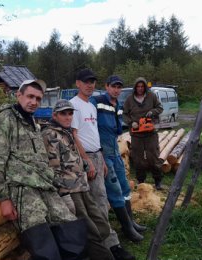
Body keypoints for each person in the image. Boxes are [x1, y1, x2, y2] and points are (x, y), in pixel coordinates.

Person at [0, 79, 87, 260]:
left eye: (38, 99)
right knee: (42, 241)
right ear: (19, 95)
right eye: (30, 96)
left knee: (69, 227)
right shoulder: (6, 118)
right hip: (23, 188)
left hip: (44, 184)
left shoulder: (32, 121)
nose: (34, 102)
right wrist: (3, 198)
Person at [70, 68, 136, 260]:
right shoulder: (73, 105)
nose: (90, 85)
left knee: (100, 199)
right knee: (94, 203)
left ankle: (107, 243)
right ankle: (107, 246)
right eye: (86, 82)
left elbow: (94, 133)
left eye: (92, 82)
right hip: (86, 159)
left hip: (98, 156)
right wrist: (88, 160)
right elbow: (74, 135)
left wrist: (100, 158)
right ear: (78, 83)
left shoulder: (91, 106)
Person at [42, 99, 115, 260]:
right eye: (63, 114)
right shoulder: (50, 134)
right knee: (87, 228)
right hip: (69, 189)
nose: (68, 117)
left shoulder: (66, 132)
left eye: (70, 113)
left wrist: (86, 166)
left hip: (82, 185)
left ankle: (93, 251)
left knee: (100, 223)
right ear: (55, 115)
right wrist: (63, 193)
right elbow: (52, 168)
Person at [90, 75, 147, 242]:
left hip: (115, 150)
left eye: (119, 87)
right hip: (103, 152)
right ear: (107, 86)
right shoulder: (97, 102)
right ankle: (127, 229)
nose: (116, 89)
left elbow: (117, 128)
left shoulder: (118, 105)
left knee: (124, 186)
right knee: (114, 189)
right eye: (113, 86)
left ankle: (131, 221)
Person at [122, 77, 164, 190]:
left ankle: (158, 181)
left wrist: (152, 111)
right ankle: (141, 182)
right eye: (138, 86)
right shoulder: (129, 99)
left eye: (142, 86)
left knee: (153, 158)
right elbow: (124, 114)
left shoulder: (151, 96)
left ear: (145, 87)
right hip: (136, 135)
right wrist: (131, 123)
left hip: (151, 133)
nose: (140, 89)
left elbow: (160, 108)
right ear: (135, 87)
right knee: (138, 159)